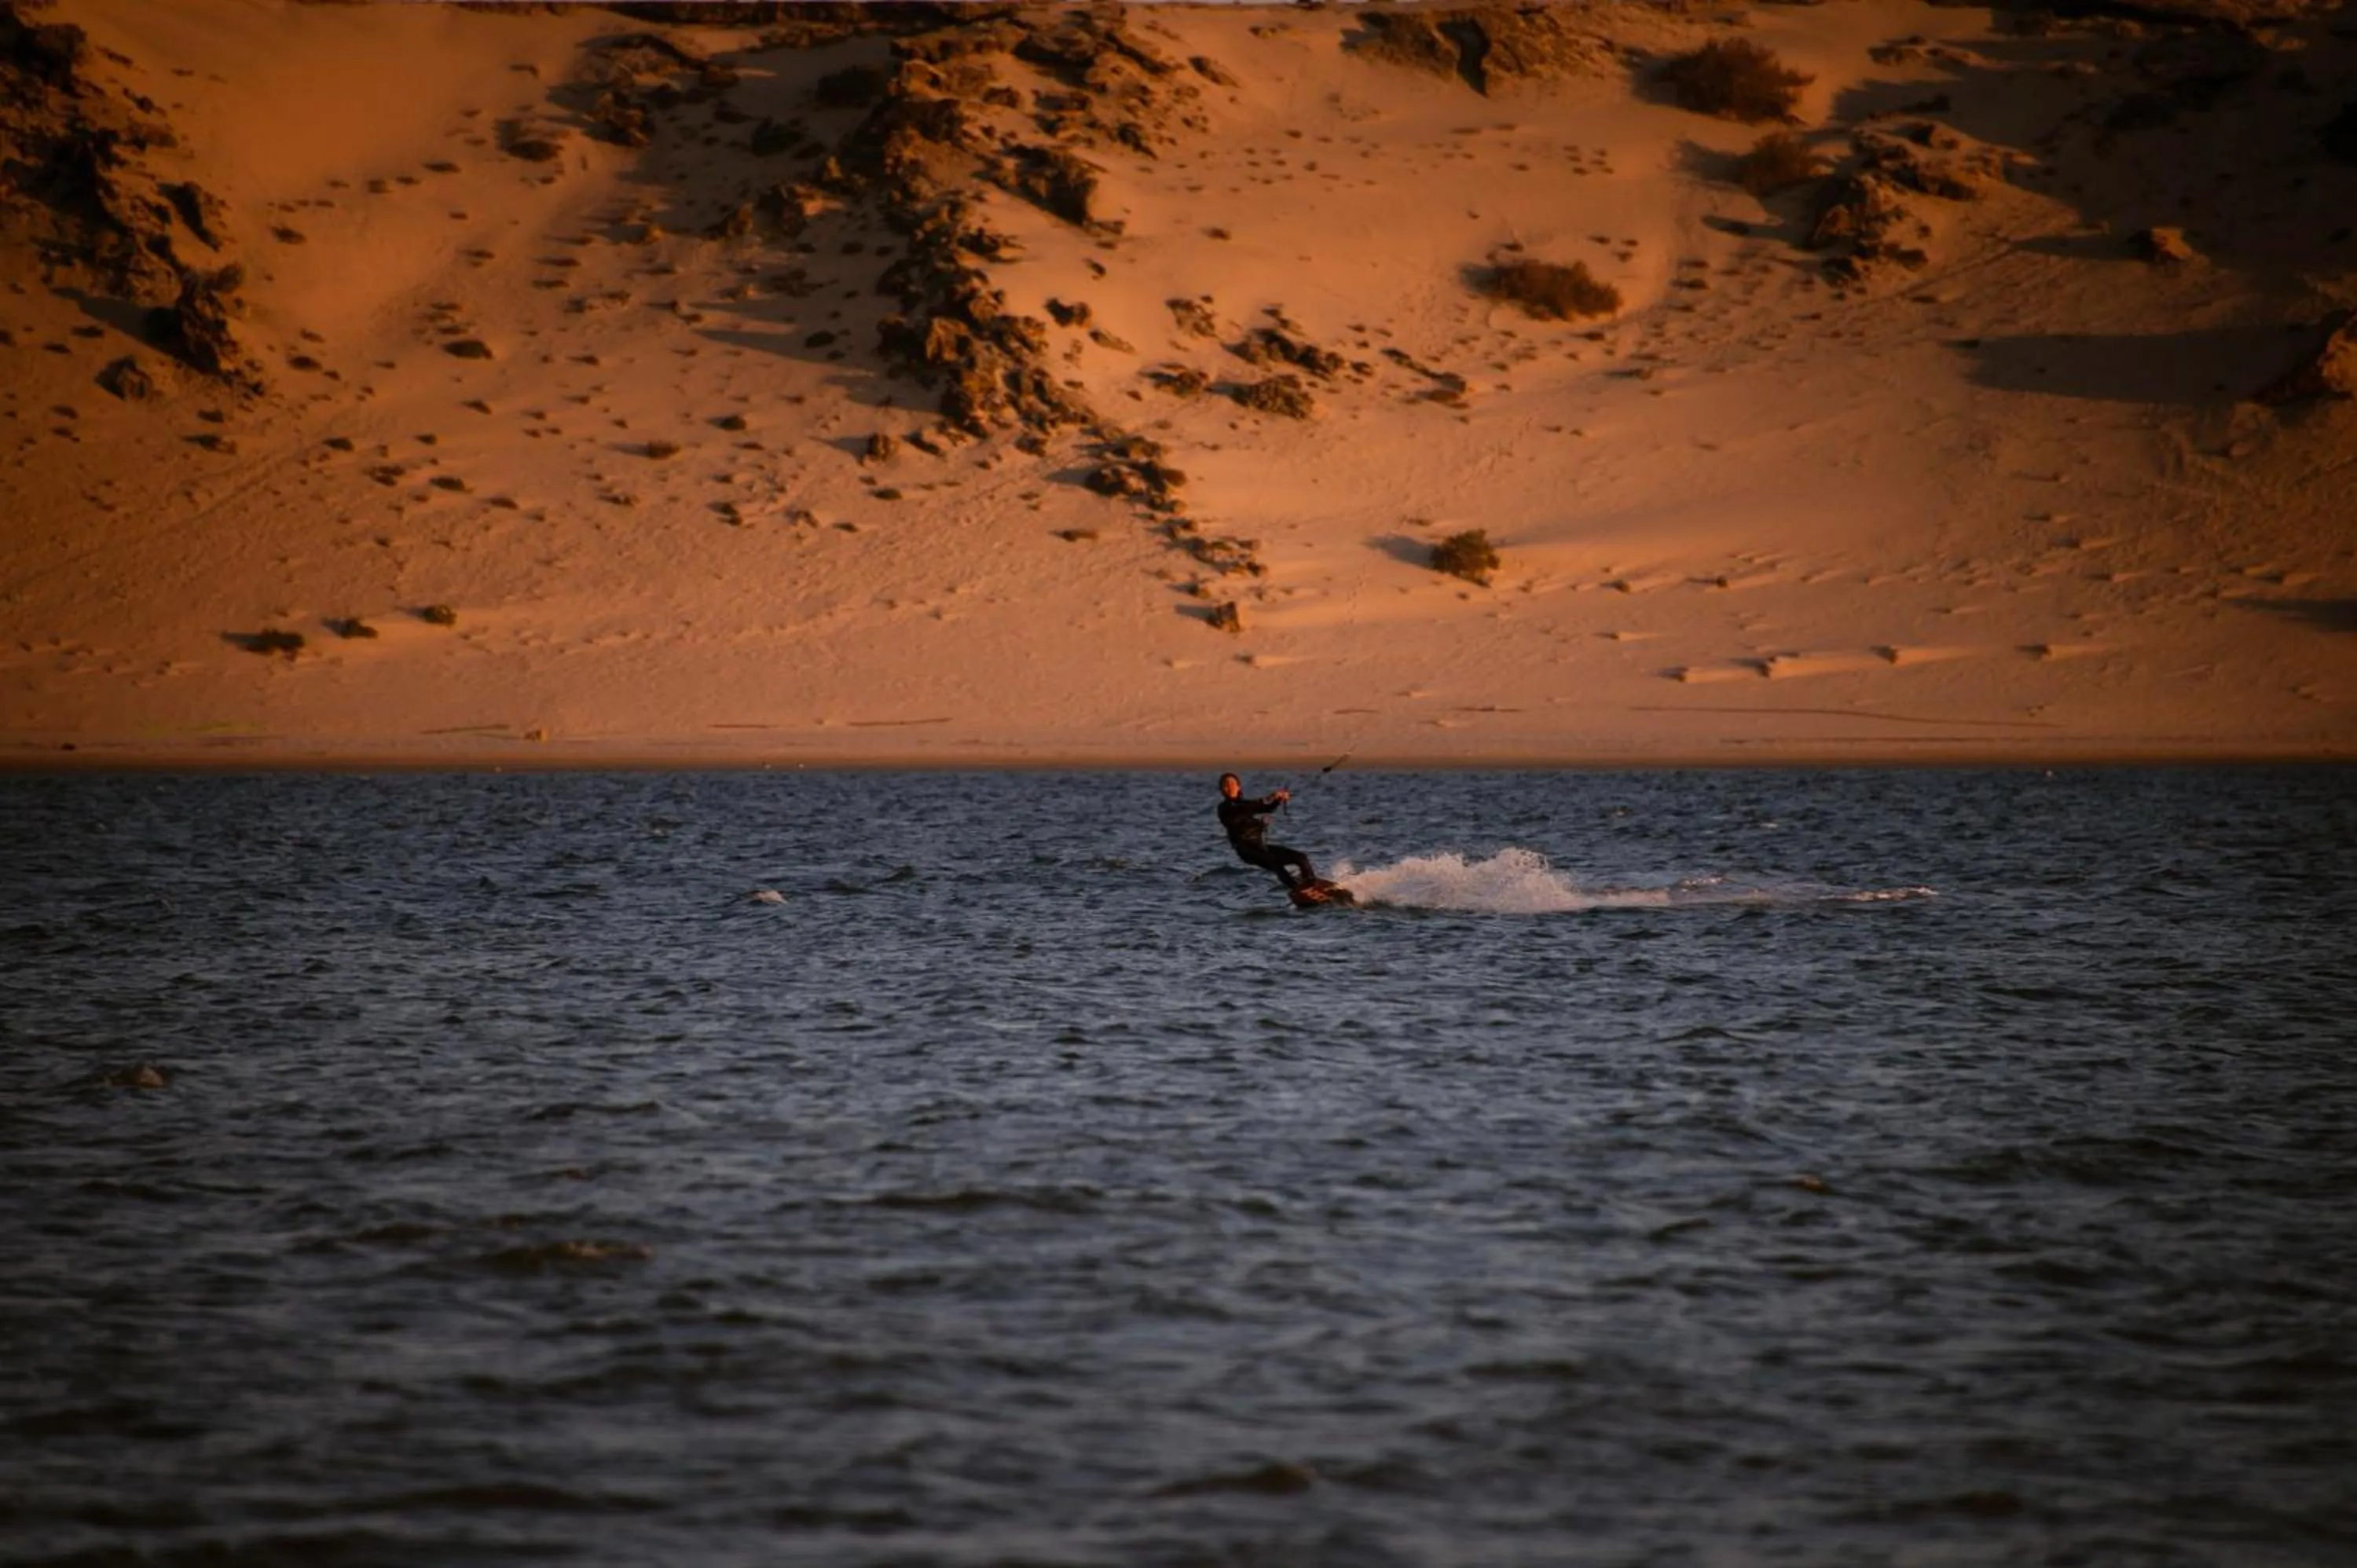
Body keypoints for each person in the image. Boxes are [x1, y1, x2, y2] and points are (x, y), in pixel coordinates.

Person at [1217, 772, 1319, 891]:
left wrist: (1278, 800)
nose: (1230, 787)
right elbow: (1243, 810)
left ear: (1239, 787)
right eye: (1226, 785)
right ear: (1221, 790)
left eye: (1233, 784)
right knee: (1275, 863)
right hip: (1246, 851)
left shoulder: (1245, 804)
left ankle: (1312, 884)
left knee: (1301, 858)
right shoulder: (1224, 808)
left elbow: (1266, 808)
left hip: (1261, 847)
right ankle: (1297, 889)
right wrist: (1267, 799)